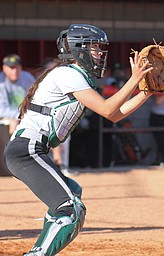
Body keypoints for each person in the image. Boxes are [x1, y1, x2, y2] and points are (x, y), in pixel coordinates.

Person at [3, 23, 153, 256]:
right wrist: (134, 81)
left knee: (72, 191)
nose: (100, 54)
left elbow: (114, 114)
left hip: (31, 149)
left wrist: (147, 91)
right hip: (27, 150)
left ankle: (40, 249)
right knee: (70, 209)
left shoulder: (76, 76)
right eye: (94, 48)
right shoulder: (68, 74)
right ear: (78, 49)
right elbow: (106, 108)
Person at [0, 54, 35, 134]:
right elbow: (1, 110)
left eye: (17, 67)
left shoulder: (27, 77)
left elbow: (36, 98)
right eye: (11, 68)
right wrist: (18, 116)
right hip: (6, 120)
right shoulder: (1, 81)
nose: (15, 71)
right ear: (4, 68)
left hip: (26, 116)